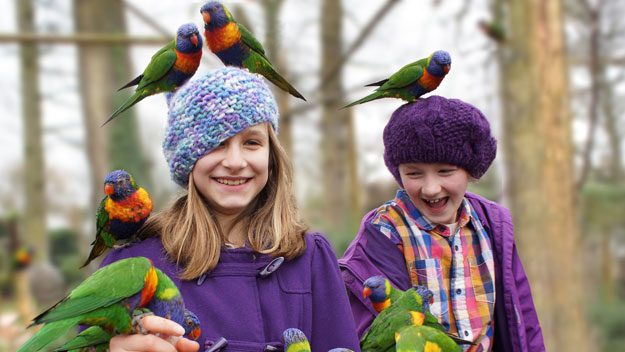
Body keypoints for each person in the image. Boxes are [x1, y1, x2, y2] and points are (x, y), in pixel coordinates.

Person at [105, 67, 360, 352]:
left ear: (271, 154)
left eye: (252, 142)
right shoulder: (135, 264)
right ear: (187, 160)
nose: (236, 161)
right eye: (216, 143)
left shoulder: (309, 257)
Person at [339, 96, 545, 351]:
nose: (431, 188)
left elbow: (523, 320)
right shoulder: (382, 234)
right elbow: (372, 335)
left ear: (470, 169)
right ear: (398, 172)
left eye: (445, 171)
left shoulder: (493, 226)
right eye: (414, 173)